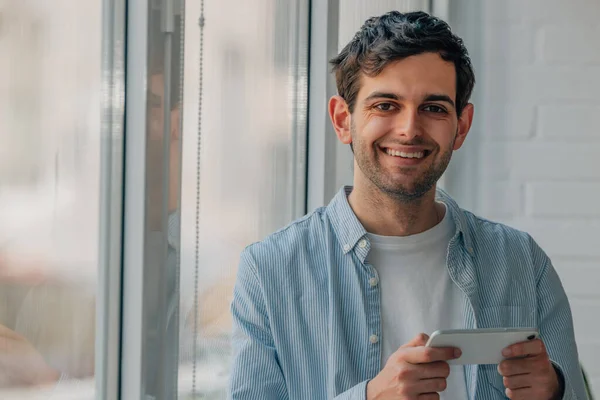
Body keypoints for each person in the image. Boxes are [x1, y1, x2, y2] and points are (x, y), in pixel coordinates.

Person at [228, 11, 587, 400]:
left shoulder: (522, 262)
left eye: (433, 108)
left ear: (461, 126)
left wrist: (555, 392)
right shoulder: (269, 270)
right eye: (385, 105)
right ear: (342, 119)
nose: (409, 129)